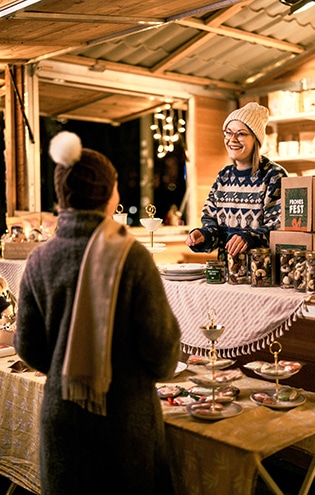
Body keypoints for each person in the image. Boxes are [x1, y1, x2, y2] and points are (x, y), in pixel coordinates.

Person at [14, 131, 181, 495]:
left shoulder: (39, 258)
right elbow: (164, 351)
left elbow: (27, 345)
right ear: (109, 194)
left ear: (62, 195)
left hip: (63, 415)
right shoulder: (132, 256)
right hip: (126, 421)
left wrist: (66, 366)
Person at [186, 102, 288, 258]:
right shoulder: (223, 177)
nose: (232, 139)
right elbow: (211, 223)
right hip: (229, 274)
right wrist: (203, 235)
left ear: (256, 139)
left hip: (262, 274)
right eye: (228, 132)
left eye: (241, 134)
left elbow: (280, 228)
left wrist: (249, 238)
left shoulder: (274, 176)